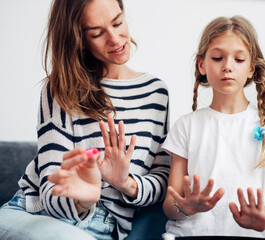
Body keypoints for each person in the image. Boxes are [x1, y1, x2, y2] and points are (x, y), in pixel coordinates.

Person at [0, 0, 170, 239]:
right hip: (36, 216)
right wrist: (81, 200)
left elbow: (163, 179)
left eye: (118, 22)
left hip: (105, 229)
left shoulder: (156, 92)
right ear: (79, 40)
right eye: (97, 33)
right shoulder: (60, 88)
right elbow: (50, 187)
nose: (114, 38)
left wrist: (126, 183)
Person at [162, 15, 265, 238]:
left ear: (251, 68)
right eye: (218, 58)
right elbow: (170, 205)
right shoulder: (186, 126)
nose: (227, 67)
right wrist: (186, 208)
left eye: (239, 60)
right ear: (202, 64)